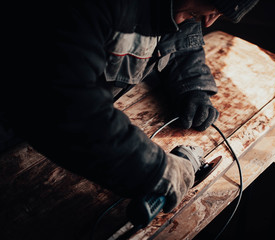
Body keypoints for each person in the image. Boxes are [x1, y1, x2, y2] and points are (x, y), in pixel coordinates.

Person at [1, 0, 258, 213]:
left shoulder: (177, 7)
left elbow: (180, 40)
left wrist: (193, 87)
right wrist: (156, 171)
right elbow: (66, 104)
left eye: (214, 15)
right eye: (197, 12)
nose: (208, 23)